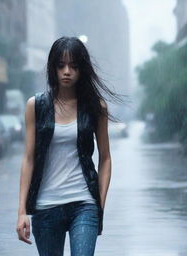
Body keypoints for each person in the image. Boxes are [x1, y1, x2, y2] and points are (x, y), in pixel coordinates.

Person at [16, 36, 122, 256]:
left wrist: (98, 204)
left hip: (83, 205)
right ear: (52, 68)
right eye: (61, 65)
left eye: (74, 66)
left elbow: (105, 158)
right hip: (46, 207)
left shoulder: (95, 106)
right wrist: (22, 211)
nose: (67, 71)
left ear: (82, 70)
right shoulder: (35, 106)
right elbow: (28, 158)